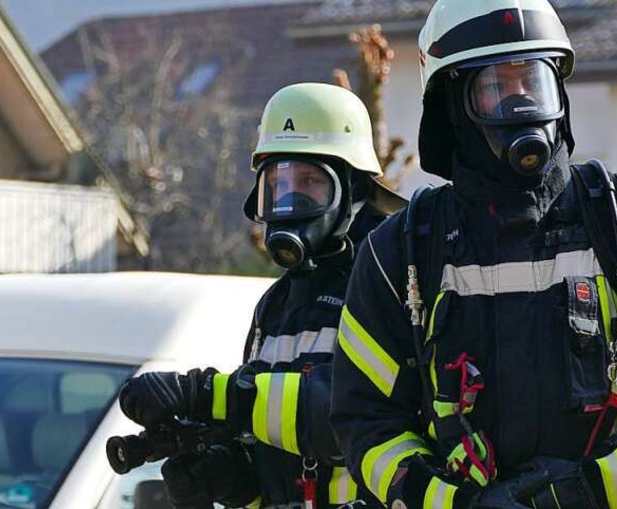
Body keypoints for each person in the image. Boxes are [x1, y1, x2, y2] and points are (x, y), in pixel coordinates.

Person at [330, 0, 617, 509]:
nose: (521, 106)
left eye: (533, 82)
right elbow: (365, 419)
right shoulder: (398, 254)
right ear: (452, 107)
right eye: (496, 88)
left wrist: (603, 483)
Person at [119, 82, 407, 508]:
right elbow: (279, 448)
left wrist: (206, 394)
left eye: (310, 182)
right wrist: (233, 480)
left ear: (356, 191)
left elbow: (346, 417)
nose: (291, 200)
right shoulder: (277, 305)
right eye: (279, 184)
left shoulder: (389, 283)